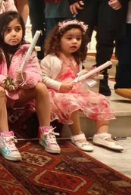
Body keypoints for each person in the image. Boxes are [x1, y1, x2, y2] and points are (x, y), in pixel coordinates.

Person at [0, 12, 56, 160]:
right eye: (8, 30)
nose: (14, 34)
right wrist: (6, 82)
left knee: (41, 87)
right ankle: (5, 137)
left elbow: (36, 73)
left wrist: (25, 78)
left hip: (19, 94)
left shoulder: (27, 50)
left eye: (18, 29)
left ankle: (45, 132)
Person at [40, 20, 123, 152]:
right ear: (58, 40)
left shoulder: (76, 58)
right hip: (57, 92)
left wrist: (86, 74)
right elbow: (42, 78)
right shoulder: (50, 58)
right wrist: (59, 85)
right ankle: (77, 135)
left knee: (101, 99)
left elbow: (76, 76)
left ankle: (102, 134)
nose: (75, 42)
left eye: (78, 39)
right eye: (69, 38)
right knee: (71, 103)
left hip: (75, 90)